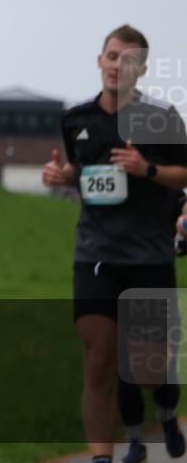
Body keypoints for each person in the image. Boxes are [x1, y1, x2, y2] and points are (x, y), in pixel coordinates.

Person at [41, 24, 187, 463]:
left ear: (141, 70)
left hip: (149, 254)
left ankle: (164, 410)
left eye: (128, 60)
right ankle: (102, 456)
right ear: (99, 61)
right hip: (96, 254)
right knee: (100, 358)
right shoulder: (77, 119)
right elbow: (79, 175)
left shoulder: (161, 119)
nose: (116, 66)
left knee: (147, 365)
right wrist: (62, 177)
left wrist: (146, 169)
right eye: (110, 56)